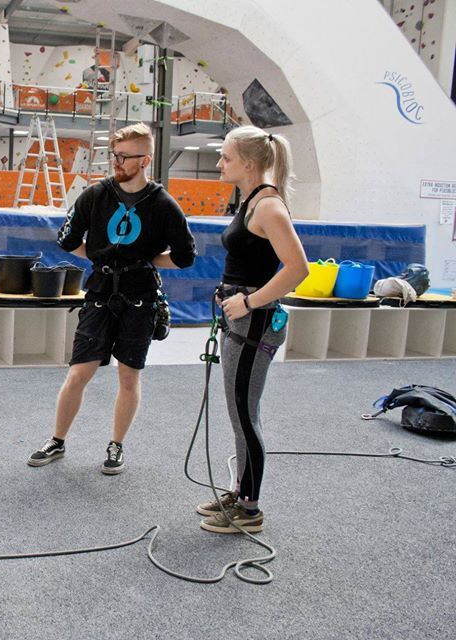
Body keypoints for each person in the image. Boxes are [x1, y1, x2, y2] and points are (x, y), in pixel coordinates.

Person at [27, 122, 196, 475]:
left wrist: (145, 262)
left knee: (129, 377)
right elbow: (67, 238)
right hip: (100, 292)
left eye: (123, 156)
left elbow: (184, 256)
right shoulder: (95, 195)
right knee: (78, 373)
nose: (116, 162)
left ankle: (116, 445)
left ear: (145, 159)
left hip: (141, 297)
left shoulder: (163, 204)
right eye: (113, 155)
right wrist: (104, 259)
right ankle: (57, 440)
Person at [195, 126, 308, 534]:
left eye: (225, 157)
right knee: (238, 411)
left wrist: (249, 301)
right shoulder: (251, 201)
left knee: (245, 414)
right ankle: (241, 490)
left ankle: (250, 508)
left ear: (249, 163)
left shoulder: (268, 207)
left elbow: (298, 270)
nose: (220, 163)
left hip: (253, 321)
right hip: (239, 317)